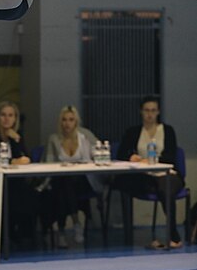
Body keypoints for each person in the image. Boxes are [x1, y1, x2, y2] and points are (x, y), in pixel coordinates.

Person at [116, 96, 184, 249]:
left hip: (167, 173)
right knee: (124, 182)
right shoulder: (133, 131)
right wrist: (131, 156)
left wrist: (152, 160)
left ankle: (173, 236)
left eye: (153, 110)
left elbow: (171, 156)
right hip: (144, 175)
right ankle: (130, 236)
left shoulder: (168, 130)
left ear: (158, 112)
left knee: (164, 188)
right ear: (141, 112)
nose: (150, 114)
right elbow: (121, 153)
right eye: (146, 110)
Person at [0, 101, 36, 243]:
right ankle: (7, 235)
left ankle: (25, 236)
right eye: (3, 115)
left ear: (15, 118)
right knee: (10, 195)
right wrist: (13, 161)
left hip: (14, 181)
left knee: (31, 195)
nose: (7, 119)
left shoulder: (17, 135)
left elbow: (25, 157)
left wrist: (15, 139)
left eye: (10, 115)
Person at [43, 105, 100, 248]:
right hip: (61, 181)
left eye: (71, 120)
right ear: (60, 122)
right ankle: (76, 223)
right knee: (64, 183)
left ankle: (61, 232)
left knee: (65, 185)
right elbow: (48, 163)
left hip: (84, 180)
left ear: (76, 121)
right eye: (64, 120)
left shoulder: (85, 136)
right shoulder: (54, 139)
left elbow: (100, 154)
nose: (67, 123)